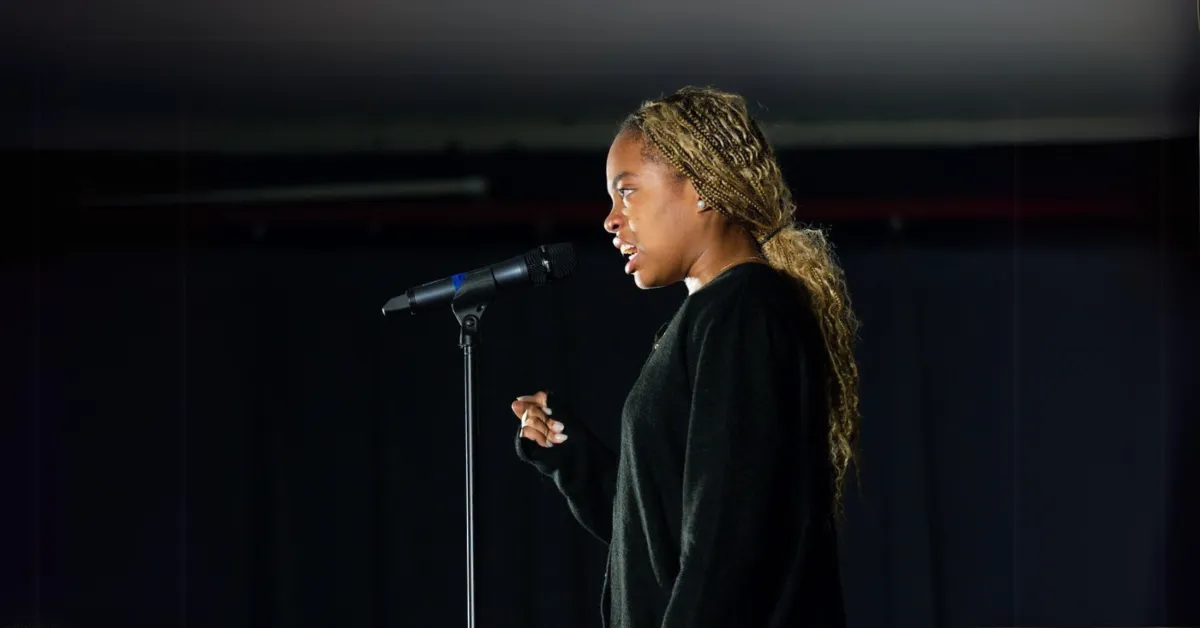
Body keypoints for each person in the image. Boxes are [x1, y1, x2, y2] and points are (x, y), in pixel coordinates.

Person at [510, 86, 861, 628]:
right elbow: (664, 535)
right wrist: (572, 457)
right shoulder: (714, 315)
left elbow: (730, 537)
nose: (610, 219)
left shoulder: (745, 310)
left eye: (626, 192)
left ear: (700, 189)